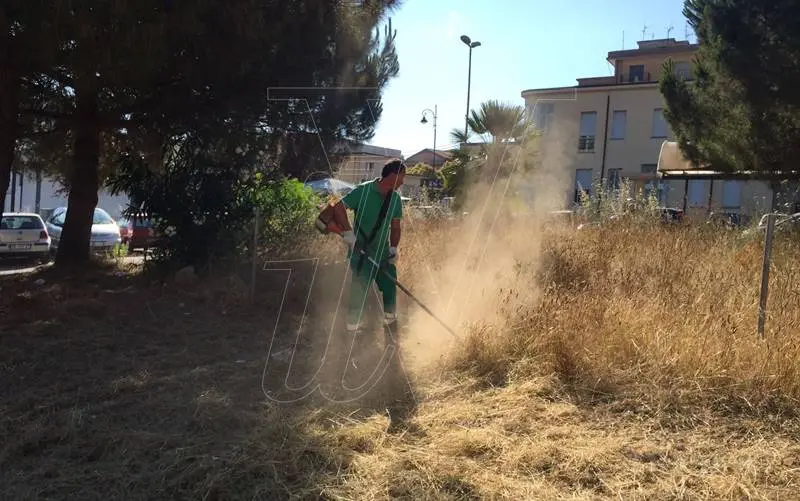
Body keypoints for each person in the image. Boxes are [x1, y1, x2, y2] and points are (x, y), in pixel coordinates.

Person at [319, 158, 406, 333]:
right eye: (402, 177)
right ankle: (353, 326)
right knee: (360, 288)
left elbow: (395, 227)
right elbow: (338, 207)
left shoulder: (395, 199)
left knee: (390, 284)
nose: (403, 181)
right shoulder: (364, 191)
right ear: (393, 175)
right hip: (361, 252)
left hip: (383, 253)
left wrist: (393, 248)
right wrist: (349, 235)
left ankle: (390, 320)